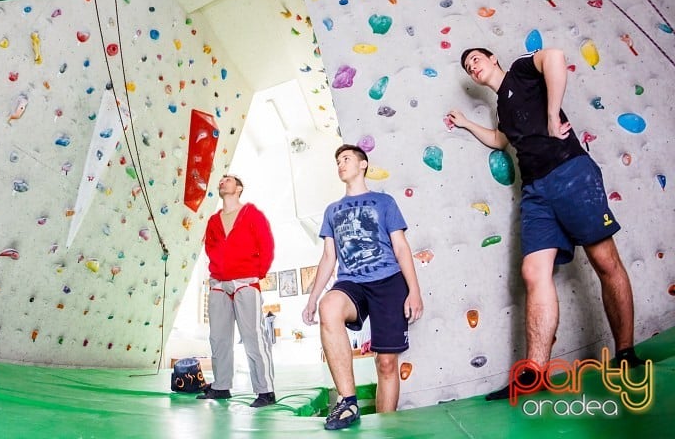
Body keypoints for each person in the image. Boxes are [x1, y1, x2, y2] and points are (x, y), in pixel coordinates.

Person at [447, 47, 643, 401]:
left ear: (493, 60)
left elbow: (554, 55)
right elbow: (499, 139)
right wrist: (465, 123)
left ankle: (625, 353)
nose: (472, 66)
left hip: (569, 171)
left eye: (476, 58)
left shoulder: (522, 71)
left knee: (603, 260)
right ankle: (534, 373)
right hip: (536, 192)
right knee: (533, 272)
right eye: (466, 66)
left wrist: (553, 115)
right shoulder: (502, 108)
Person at [302, 145, 423, 431]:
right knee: (328, 307)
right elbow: (329, 257)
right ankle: (348, 402)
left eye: (346, 159)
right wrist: (312, 299)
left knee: (386, 363)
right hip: (352, 282)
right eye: (337, 161)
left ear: (363, 164)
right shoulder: (332, 211)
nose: (341, 164)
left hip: (388, 281)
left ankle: (387, 427)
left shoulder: (384, 202)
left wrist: (414, 290)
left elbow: (401, 248)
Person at [197, 174, 277, 408]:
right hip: (219, 284)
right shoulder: (213, 221)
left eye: (228, 179)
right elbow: (210, 247)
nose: (223, 181)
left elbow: (267, 245)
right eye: (221, 180)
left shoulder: (252, 214)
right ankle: (221, 386)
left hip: (246, 282)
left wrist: (256, 273)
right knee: (219, 337)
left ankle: (266, 391)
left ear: (239, 188)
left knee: (253, 336)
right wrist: (218, 273)